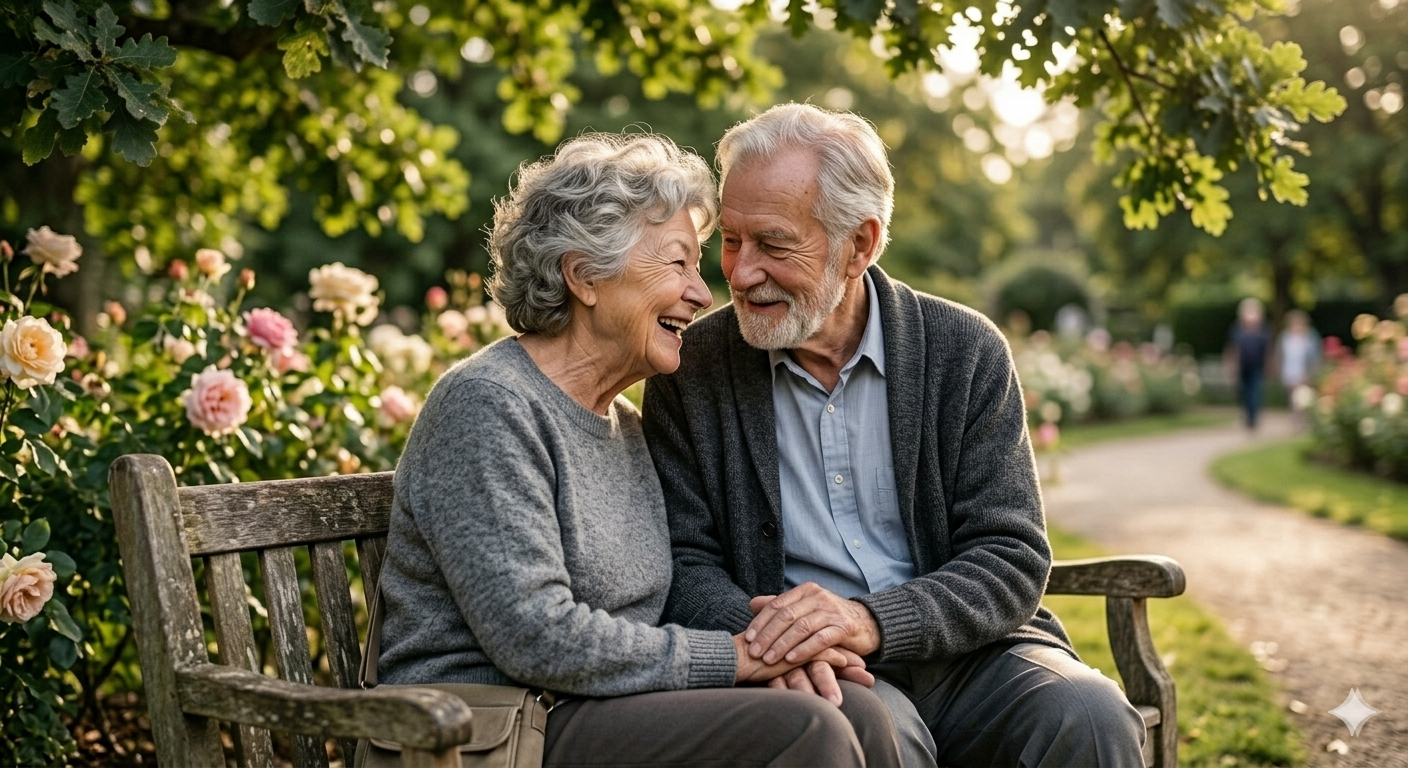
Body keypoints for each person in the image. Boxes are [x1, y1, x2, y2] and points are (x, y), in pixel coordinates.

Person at [376, 132, 902, 768]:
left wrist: (778, 649)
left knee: (856, 708)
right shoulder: (488, 405)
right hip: (493, 728)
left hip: (596, 707)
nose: (705, 293)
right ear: (585, 277)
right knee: (804, 732)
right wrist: (739, 657)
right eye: (678, 265)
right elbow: (536, 636)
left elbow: (666, 595)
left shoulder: (622, 423)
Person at [642, 104, 1146, 767]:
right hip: (823, 674)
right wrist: (775, 641)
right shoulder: (694, 368)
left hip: (976, 656)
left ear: (861, 243)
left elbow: (1011, 552)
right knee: (870, 731)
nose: (737, 273)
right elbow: (685, 561)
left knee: (1089, 713)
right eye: (731, 240)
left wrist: (871, 621)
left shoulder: (964, 351)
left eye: (773, 242)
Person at [1226, 298, 1271, 429]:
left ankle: (1253, 418)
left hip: (1257, 367)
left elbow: (1268, 351)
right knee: (1244, 393)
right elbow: (1232, 349)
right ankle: (1247, 415)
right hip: (1242, 368)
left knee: (1255, 392)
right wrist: (1231, 366)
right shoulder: (1237, 330)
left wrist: (1269, 366)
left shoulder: (1263, 331)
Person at [1278, 309, 1320, 391]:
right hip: (1288, 375)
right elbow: (1280, 356)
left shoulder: (1311, 338)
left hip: (1306, 375)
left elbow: (1315, 357)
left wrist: (1310, 374)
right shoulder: (1284, 338)